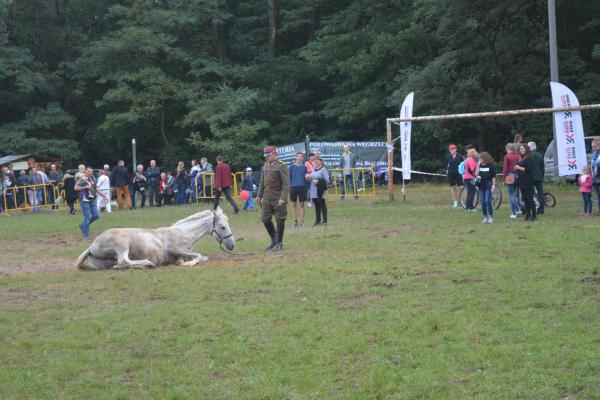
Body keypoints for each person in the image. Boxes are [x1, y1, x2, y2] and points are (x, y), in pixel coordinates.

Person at [257, 146, 289, 251]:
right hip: (267, 196)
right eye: (266, 156)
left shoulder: (281, 166)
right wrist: (258, 195)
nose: (267, 158)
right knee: (264, 218)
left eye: (268, 155)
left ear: (275, 154)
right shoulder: (265, 165)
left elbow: (286, 184)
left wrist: (283, 198)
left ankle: (279, 243)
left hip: (278, 197)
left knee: (280, 219)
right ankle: (274, 239)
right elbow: (262, 182)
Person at [75, 167, 108, 238]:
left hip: (92, 200)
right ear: (85, 171)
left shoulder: (92, 180)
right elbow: (76, 188)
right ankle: (86, 235)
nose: (90, 173)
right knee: (87, 218)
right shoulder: (82, 179)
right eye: (88, 171)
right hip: (84, 201)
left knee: (96, 215)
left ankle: (83, 225)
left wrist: (104, 196)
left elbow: (97, 189)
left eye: (91, 172)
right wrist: (86, 187)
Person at [514, 144, 536, 222]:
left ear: (526, 149)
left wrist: (519, 167)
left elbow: (528, 170)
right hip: (521, 181)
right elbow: (519, 168)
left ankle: (534, 215)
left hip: (528, 181)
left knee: (530, 198)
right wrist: (516, 168)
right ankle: (528, 214)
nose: (521, 150)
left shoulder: (529, 158)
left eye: (522, 149)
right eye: (520, 149)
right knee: (525, 199)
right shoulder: (521, 158)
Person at [476, 152, 497, 224]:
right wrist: (478, 165)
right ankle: (485, 217)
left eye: (481, 158)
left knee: (487, 201)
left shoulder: (491, 165)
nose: (480, 159)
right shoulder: (480, 165)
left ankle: (491, 217)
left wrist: (493, 185)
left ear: (485, 158)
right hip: (480, 185)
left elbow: (494, 176)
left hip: (488, 184)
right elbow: (476, 174)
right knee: (483, 202)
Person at [289, 152, 308, 227]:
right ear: (296, 157)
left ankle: (302, 221)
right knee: (293, 204)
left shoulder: (304, 167)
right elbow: (289, 178)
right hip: (293, 187)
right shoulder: (291, 167)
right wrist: (289, 188)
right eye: (298, 156)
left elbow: (306, 177)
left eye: (301, 156)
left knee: (302, 205)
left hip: (302, 187)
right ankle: (295, 221)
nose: (300, 158)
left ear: (302, 158)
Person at [502, 142, 521, 218]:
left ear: (508, 149)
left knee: (511, 195)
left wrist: (503, 179)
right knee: (516, 194)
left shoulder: (507, 156)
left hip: (510, 176)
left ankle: (514, 213)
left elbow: (505, 168)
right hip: (518, 176)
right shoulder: (518, 156)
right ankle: (518, 209)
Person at [310, 156, 329, 226]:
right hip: (313, 190)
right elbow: (312, 178)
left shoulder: (323, 169)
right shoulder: (313, 169)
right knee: (317, 206)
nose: (316, 162)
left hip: (320, 190)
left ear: (321, 162)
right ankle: (318, 220)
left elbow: (327, 180)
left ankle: (324, 221)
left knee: (322, 205)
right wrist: (309, 177)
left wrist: (318, 181)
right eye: (314, 161)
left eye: (317, 161)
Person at [528, 142, 545, 215]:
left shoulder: (528, 156)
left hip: (530, 177)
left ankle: (532, 208)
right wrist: (542, 176)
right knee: (540, 193)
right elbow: (542, 168)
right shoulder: (540, 155)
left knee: (530, 193)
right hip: (539, 177)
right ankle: (541, 210)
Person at [462, 148, 478, 212]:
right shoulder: (471, 160)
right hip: (470, 178)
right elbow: (472, 170)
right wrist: (475, 175)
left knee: (469, 192)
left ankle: (467, 208)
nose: (476, 154)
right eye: (475, 153)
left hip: (466, 178)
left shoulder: (467, 160)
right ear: (472, 153)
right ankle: (470, 207)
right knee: (472, 192)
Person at [592, 139, 600, 216]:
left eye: (595, 146)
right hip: (595, 178)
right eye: (593, 147)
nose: (594, 148)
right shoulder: (594, 154)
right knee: (598, 195)